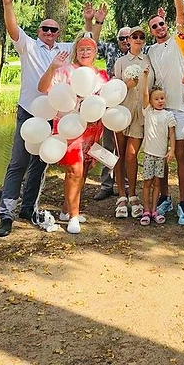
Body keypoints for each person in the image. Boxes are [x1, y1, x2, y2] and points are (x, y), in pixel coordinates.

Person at [0, 0, 95, 237]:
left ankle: (28, 208)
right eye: (45, 29)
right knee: (18, 163)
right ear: (39, 31)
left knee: (40, 165)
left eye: (53, 30)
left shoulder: (64, 49)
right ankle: (6, 214)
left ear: (58, 33)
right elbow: (13, 30)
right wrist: (8, 4)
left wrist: (89, 21)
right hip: (29, 113)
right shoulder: (28, 46)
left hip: (53, 116)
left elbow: (87, 45)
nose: (49, 32)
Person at [37, 34, 109, 234]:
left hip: (92, 128)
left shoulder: (101, 75)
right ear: (76, 51)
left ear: (95, 52)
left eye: (89, 49)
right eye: (81, 49)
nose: (85, 52)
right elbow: (42, 88)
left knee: (83, 170)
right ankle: (74, 217)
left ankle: (66, 210)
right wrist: (52, 68)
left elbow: (107, 100)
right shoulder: (65, 71)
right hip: (70, 126)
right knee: (74, 170)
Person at [147, 0, 184, 224]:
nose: (159, 27)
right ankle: (165, 197)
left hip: (180, 105)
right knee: (160, 155)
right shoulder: (151, 52)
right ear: (152, 31)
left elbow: (182, 14)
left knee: (181, 154)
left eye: (161, 23)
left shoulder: (178, 39)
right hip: (161, 109)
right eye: (155, 26)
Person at [113, 26, 154, 219]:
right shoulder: (120, 62)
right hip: (122, 111)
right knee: (120, 154)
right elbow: (114, 88)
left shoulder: (148, 60)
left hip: (140, 113)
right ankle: (121, 195)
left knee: (131, 155)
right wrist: (127, 84)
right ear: (128, 40)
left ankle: (133, 194)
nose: (138, 39)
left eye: (141, 36)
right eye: (134, 36)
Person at [93, 24, 131, 200]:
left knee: (126, 147)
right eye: (122, 38)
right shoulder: (110, 48)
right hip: (109, 103)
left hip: (128, 105)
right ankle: (106, 185)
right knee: (108, 145)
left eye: (128, 37)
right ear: (117, 40)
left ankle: (126, 184)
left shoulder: (138, 52)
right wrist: (97, 23)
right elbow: (93, 41)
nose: (126, 41)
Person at [139, 69, 176, 226]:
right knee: (147, 183)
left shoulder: (168, 115)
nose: (160, 101)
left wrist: (172, 149)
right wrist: (145, 77)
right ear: (151, 101)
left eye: (162, 98)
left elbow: (172, 134)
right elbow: (145, 94)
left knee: (157, 183)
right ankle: (146, 210)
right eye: (156, 99)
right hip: (149, 153)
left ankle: (155, 210)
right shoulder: (148, 112)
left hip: (161, 155)